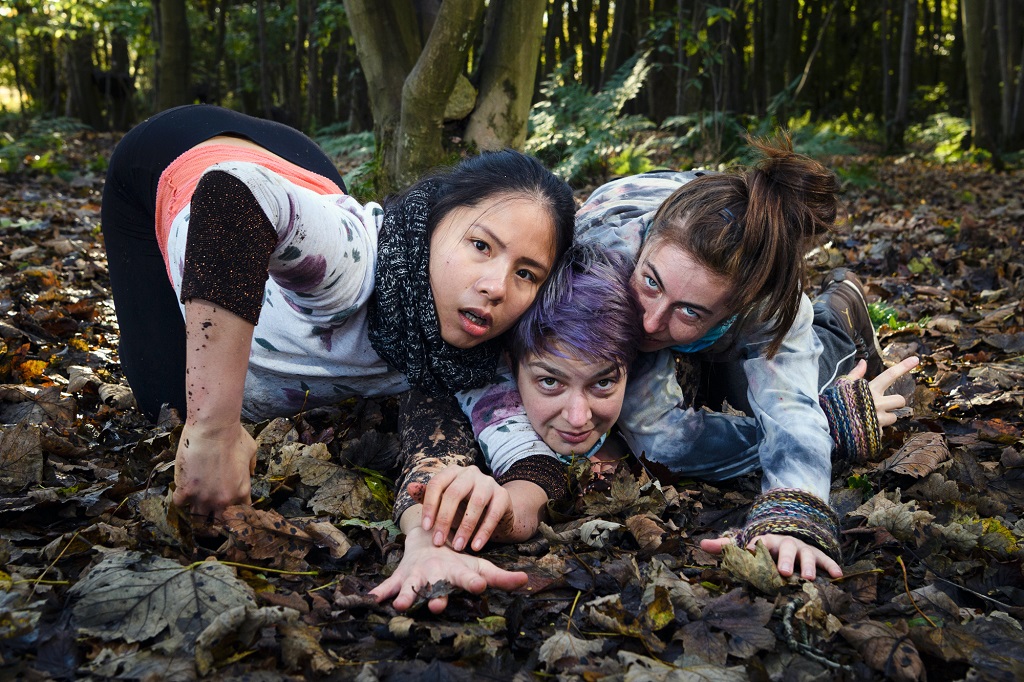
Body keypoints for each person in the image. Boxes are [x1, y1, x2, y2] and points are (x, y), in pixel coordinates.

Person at [421, 133, 918, 584]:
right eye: (652, 282)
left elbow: (789, 410)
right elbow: (656, 432)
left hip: (730, 321)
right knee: (652, 431)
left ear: (738, 307)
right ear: (647, 246)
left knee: (756, 391)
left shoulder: (768, 307)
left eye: (688, 310)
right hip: (647, 257)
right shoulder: (600, 259)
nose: (651, 322)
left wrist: (798, 508)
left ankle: (843, 308)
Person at [100, 104, 576, 543]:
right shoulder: (353, 267)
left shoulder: (473, 357)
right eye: (481, 246)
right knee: (165, 404)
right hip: (173, 161)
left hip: (303, 176)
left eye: (526, 273)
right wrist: (213, 430)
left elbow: (530, 460)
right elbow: (232, 194)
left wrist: (502, 513)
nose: (497, 285)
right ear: (435, 220)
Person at [369, 243, 644, 612]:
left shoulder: (662, 380)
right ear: (512, 363)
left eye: (603, 383)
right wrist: (429, 538)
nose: (578, 417)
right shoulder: (469, 381)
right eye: (550, 382)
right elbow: (435, 461)